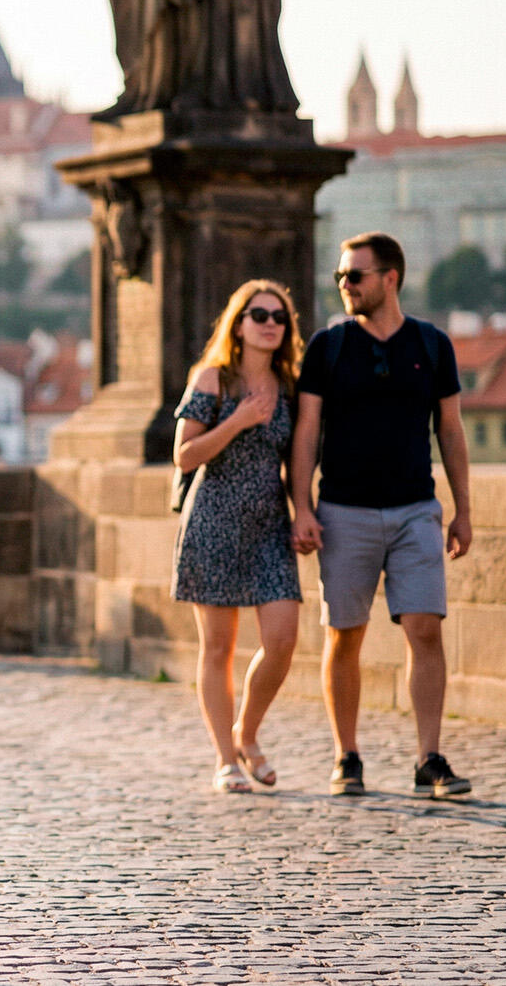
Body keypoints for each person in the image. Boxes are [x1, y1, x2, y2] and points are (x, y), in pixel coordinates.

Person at [291, 232, 474, 800]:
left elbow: (450, 429)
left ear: (390, 278)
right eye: (341, 277)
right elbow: (306, 433)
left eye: (356, 276)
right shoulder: (328, 347)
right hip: (344, 510)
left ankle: (429, 759)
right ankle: (347, 756)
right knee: (345, 634)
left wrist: (463, 509)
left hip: (416, 508)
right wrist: (302, 505)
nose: (345, 285)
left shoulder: (432, 344)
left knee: (425, 627)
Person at [171, 280, 304, 794]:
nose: (270, 323)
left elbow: (297, 460)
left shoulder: (289, 385)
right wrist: (242, 419)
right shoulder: (214, 381)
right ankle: (226, 760)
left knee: (282, 639)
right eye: (259, 315)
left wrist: (302, 514)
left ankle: (246, 733)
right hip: (214, 522)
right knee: (218, 647)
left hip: (269, 525)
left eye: (279, 317)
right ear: (239, 323)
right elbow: (184, 455)